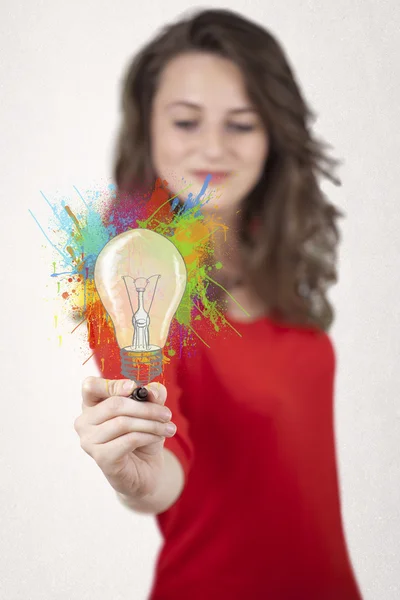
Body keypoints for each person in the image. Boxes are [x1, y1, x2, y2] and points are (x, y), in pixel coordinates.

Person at [74, 8, 363, 599]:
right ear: (147, 130)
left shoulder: (272, 259)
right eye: (186, 122)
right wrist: (139, 475)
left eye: (241, 124)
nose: (213, 147)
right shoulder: (133, 280)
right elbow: (162, 462)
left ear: (272, 134)